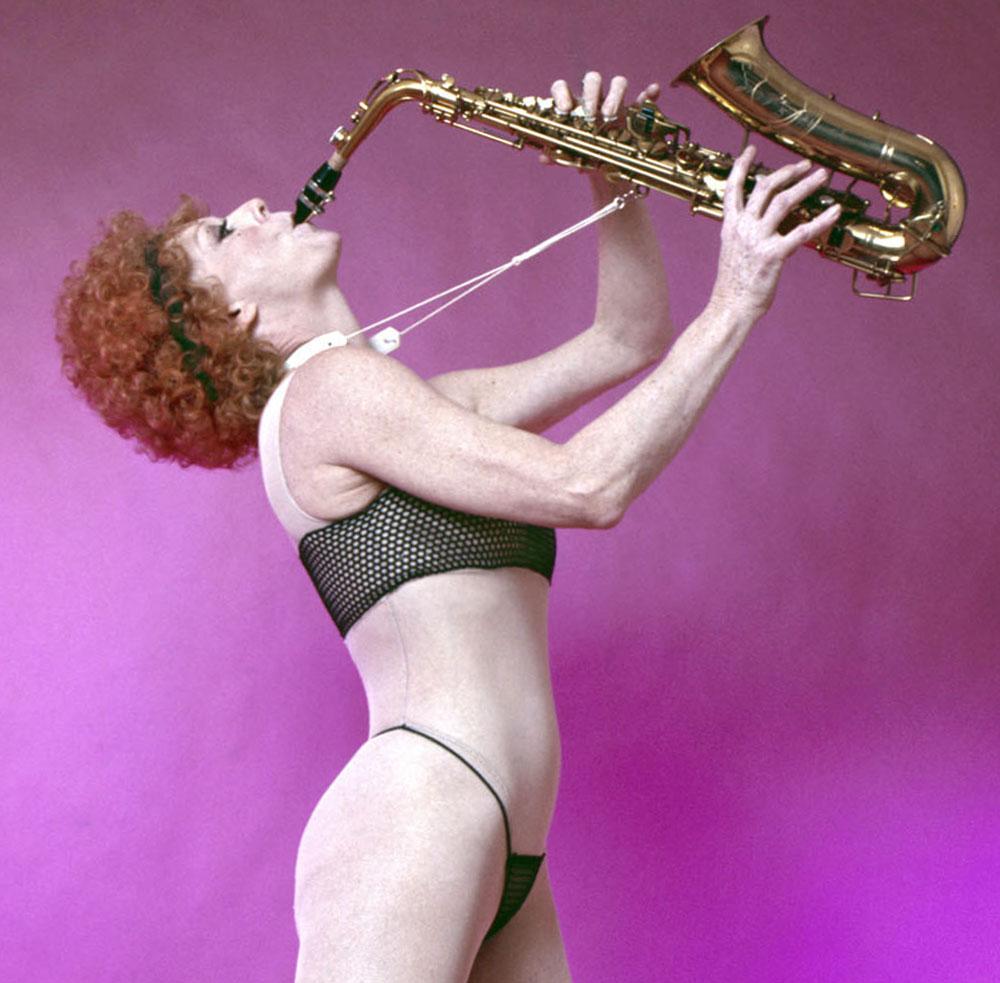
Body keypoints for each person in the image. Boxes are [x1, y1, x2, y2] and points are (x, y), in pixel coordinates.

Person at [56, 70, 841, 983]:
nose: (257, 206)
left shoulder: (404, 412)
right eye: (225, 234)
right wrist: (736, 298)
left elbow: (625, 339)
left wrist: (604, 172)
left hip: (494, 827)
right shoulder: (325, 395)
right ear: (228, 317)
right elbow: (590, 484)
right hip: (419, 812)